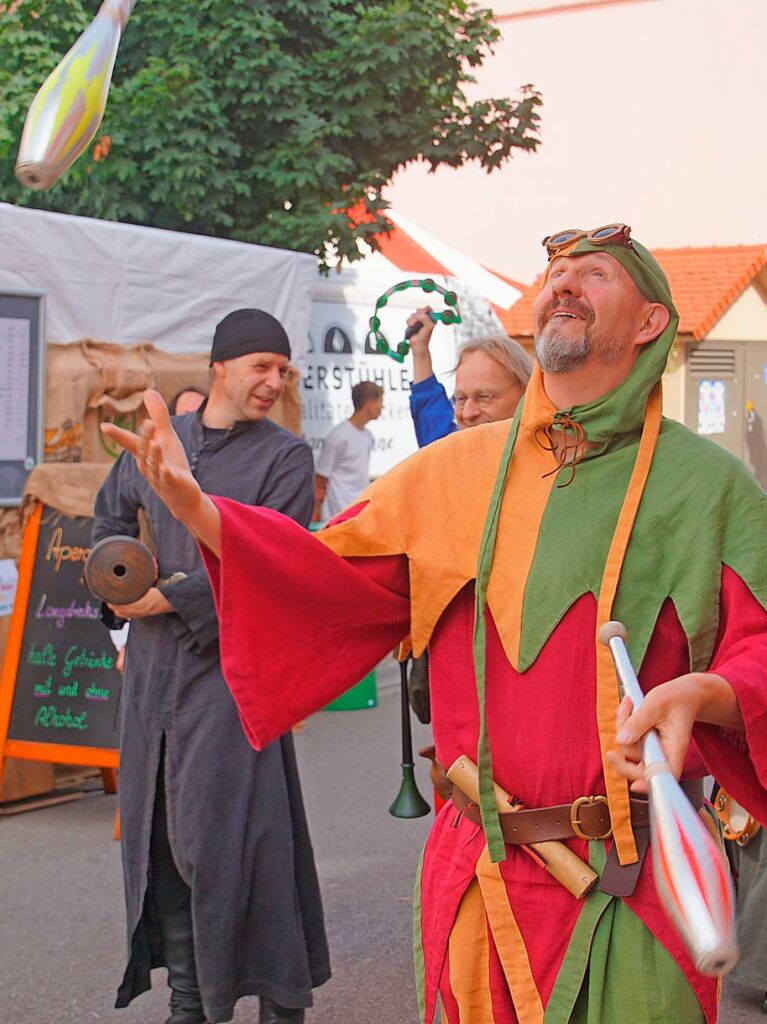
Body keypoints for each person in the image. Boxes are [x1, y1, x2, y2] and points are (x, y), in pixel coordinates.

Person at [103, 226, 767, 1024]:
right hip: (477, 881)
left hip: (631, 881)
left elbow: (758, 646)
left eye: (592, 275)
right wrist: (203, 515)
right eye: (554, 271)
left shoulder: (708, 487)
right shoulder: (452, 472)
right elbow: (325, 579)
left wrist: (712, 691)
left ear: (650, 322)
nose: (562, 283)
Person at [94, 308, 329, 1024]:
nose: (273, 381)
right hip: (152, 686)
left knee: (238, 846)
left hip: (234, 685)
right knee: (162, 845)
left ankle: (276, 1003)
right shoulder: (164, 443)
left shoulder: (285, 459)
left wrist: (172, 597)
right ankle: (191, 1006)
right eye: (261, 366)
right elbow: (107, 524)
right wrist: (121, 584)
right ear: (220, 365)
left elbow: (275, 564)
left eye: (282, 370)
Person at [405, 310, 532, 447]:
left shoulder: (552, 456)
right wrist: (420, 350)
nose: (467, 414)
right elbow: (432, 417)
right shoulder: (453, 457)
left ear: (526, 393)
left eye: (484, 397)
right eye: (461, 399)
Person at [312, 380, 384, 521]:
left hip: (358, 513)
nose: (382, 407)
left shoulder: (368, 436)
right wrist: (316, 513)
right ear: (369, 403)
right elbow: (321, 477)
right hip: (337, 515)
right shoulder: (339, 436)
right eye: (380, 401)